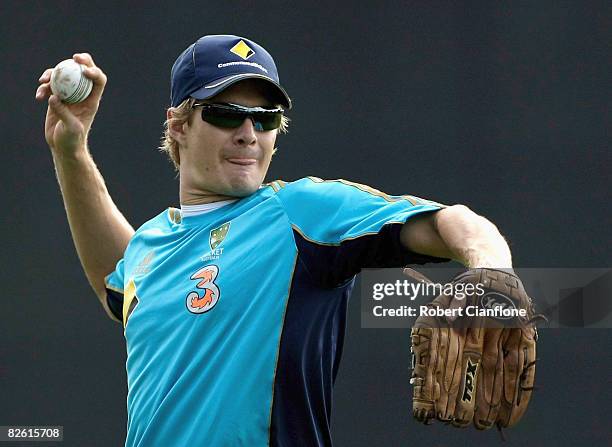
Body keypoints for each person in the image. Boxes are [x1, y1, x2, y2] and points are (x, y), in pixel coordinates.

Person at [36, 35, 514, 446]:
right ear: (179, 126)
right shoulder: (153, 244)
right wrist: (71, 150)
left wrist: (492, 272)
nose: (249, 133)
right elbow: (117, 284)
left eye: (265, 118)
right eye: (226, 114)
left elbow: (454, 222)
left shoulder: (301, 213)